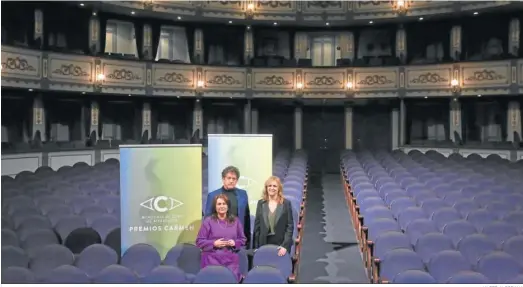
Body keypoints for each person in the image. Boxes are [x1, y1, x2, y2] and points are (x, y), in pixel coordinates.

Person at [196, 194, 247, 282]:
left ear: (228, 206)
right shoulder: (208, 221)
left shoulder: (236, 221)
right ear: (215, 206)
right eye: (219, 204)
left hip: (231, 262)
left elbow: (243, 240)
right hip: (212, 261)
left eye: (224, 203)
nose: (222, 206)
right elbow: (199, 241)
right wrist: (213, 243)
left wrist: (234, 243)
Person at [205, 166, 251, 247]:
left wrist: (247, 241)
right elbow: (207, 219)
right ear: (223, 179)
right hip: (219, 240)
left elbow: (246, 218)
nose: (231, 181)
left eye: (234, 179)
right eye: (229, 178)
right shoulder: (213, 195)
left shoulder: (243, 194)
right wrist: (211, 242)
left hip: (237, 240)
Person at [253, 176, 294, 257]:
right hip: (263, 243)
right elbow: (257, 227)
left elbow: (290, 227)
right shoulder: (261, 203)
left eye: (275, 186)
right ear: (266, 188)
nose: (272, 188)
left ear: (279, 188)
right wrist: (256, 247)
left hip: (280, 245)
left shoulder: (286, 203)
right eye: (269, 186)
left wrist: (285, 246)